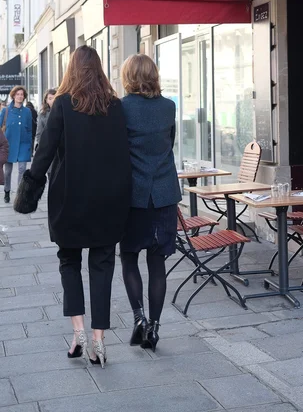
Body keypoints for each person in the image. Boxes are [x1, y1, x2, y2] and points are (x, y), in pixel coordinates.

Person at [22, 46, 131, 367]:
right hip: (109, 199)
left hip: (69, 197)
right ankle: (99, 339)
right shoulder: (115, 106)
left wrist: (28, 190)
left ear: (71, 70)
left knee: (69, 261)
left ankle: (79, 332)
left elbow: (43, 153)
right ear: (99, 71)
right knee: (102, 265)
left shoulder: (64, 106)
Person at [120, 54, 181, 352]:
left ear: (128, 76)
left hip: (133, 196)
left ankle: (139, 319)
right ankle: (154, 328)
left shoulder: (121, 108)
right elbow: (170, 142)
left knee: (129, 258)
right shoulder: (169, 107)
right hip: (165, 195)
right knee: (157, 265)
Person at [0, 86, 32, 203]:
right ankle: (7, 191)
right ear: (13, 95)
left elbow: (29, 129)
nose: (20, 96)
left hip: (23, 145)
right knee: (7, 172)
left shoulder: (27, 112)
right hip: (9, 145)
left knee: (22, 169)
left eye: (22, 94)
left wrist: (29, 144)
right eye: (18, 94)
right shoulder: (5, 111)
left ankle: (19, 194)